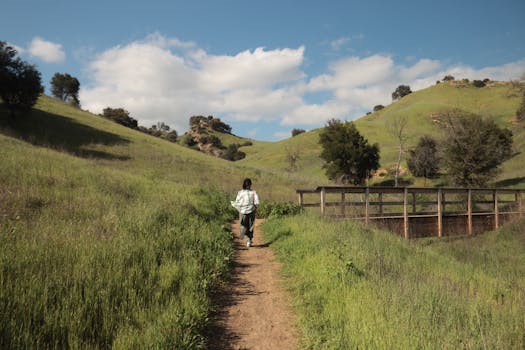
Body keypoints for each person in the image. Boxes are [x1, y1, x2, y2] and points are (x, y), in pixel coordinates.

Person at [231, 178, 260, 247]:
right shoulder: (253, 192)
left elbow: (237, 201)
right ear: (250, 185)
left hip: (242, 212)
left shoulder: (240, 192)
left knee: (243, 226)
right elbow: (257, 202)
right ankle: (249, 239)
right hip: (251, 211)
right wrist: (255, 208)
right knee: (251, 226)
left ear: (244, 185)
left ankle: (247, 239)